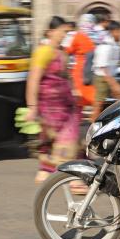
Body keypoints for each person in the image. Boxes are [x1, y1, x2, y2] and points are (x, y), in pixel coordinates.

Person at [26, 16, 81, 185]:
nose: (65, 35)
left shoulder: (62, 52)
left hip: (65, 106)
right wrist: (32, 107)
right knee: (64, 141)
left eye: (67, 32)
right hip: (50, 108)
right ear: (51, 32)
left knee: (61, 142)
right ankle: (73, 179)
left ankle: (48, 174)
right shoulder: (43, 51)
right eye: (63, 32)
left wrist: (74, 93)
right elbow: (33, 79)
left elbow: (66, 77)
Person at [91, 21, 120, 120]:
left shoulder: (114, 44)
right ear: (114, 31)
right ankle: (92, 128)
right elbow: (103, 67)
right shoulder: (106, 45)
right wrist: (114, 84)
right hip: (102, 78)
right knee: (99, 105)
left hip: (110, 77)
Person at [64, 14, 96, 107]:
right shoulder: (97, 36)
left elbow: (67, 51)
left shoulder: (76, 36)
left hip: (83, 70)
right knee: (86, 97)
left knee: (82, 97)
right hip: (88, 70)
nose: (88, 25)